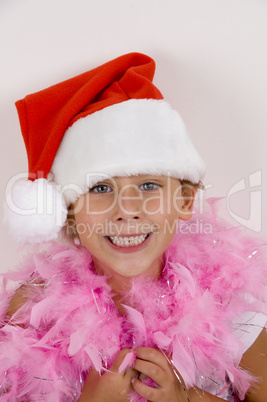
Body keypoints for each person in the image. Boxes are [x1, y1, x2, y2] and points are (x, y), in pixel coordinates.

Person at [1, 52, 267, 402]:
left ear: (184, 202)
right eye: (100, 188)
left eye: (148, 186)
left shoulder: (229, 301)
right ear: (68, 211)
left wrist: (188, 400)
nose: (127, 210)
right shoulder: (32, 310)